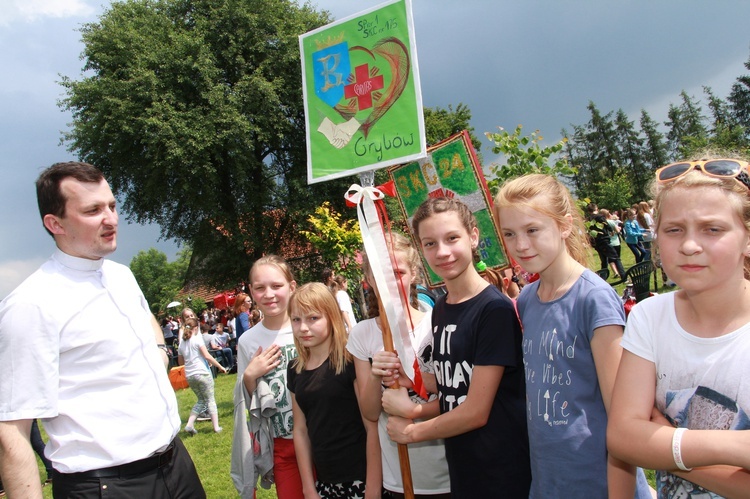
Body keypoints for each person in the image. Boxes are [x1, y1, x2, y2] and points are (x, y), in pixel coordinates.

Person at [0, 161, 204, 498]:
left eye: (111, 205)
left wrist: (158, 353)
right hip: (105, 485)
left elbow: (147, 321)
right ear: (55, 223)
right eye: (93, 210)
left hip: (175, 463)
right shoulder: (30, 305)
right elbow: (11, 429)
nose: (111, 219)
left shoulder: (122, 276)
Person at [494, 174, 651, 498]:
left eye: (532, 230)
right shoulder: (527, 299)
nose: (520, 244)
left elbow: (622, 415)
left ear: (563, 226)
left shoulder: (593, 298)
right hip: (549, 479)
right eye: (510, 234)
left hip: (597, 481)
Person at [608, 157, 750, 497]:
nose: (689, 246)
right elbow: (622, 438)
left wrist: (662, 440)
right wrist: (733, 447)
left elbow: (636, 440)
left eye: (712, 229)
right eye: (674, 230)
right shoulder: (649, 317)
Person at [383, 197, 530, 498]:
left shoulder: (493, 310)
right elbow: (452, 387)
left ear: (473, 237)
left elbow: (475, 411)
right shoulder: (441, 308)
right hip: (463, 467)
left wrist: (412, 431)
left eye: (452, 238)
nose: (442, 252)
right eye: (430, 243)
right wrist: (408, 381)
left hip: (501, 470)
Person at [347, 232, 451, 498]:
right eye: (380, 274)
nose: (389, 282)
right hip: (398, 479)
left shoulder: (437, 323)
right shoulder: (362, 334)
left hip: (448, 473)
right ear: (368, 279)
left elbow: (459, 397)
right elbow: (370, 413)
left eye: (397, 272)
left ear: (413, 273)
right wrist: (374, 375)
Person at [287, 283, 380, 498]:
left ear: (331, 317)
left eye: (313, 318)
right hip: (326, 482)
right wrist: (308, 487)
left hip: (362, 477)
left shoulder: (350, 361)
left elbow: (372, 426)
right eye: (296, 319)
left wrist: (374, 488)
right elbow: (300, 430)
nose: (303, 328)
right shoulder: (295, 370)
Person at [233, 255, 302, 499]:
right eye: (260, 288)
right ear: (251, 291)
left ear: (292, 287)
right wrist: (250, 377)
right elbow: (246, 403)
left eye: (276, 286)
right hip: (281, 444)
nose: (269, 294)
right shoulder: (247, 341)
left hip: (321, 435)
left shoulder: (308, 327)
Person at [178, 317, 227, 434]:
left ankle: (189, 425)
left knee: (201, 400)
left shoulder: (181, 345)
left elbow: (181, 363)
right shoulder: (197, 340)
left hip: (190, 375)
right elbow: (207, 356)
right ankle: (216, 427)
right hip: (202, 373)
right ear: (196, 328)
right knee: (210, 399)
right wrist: (220, 367)